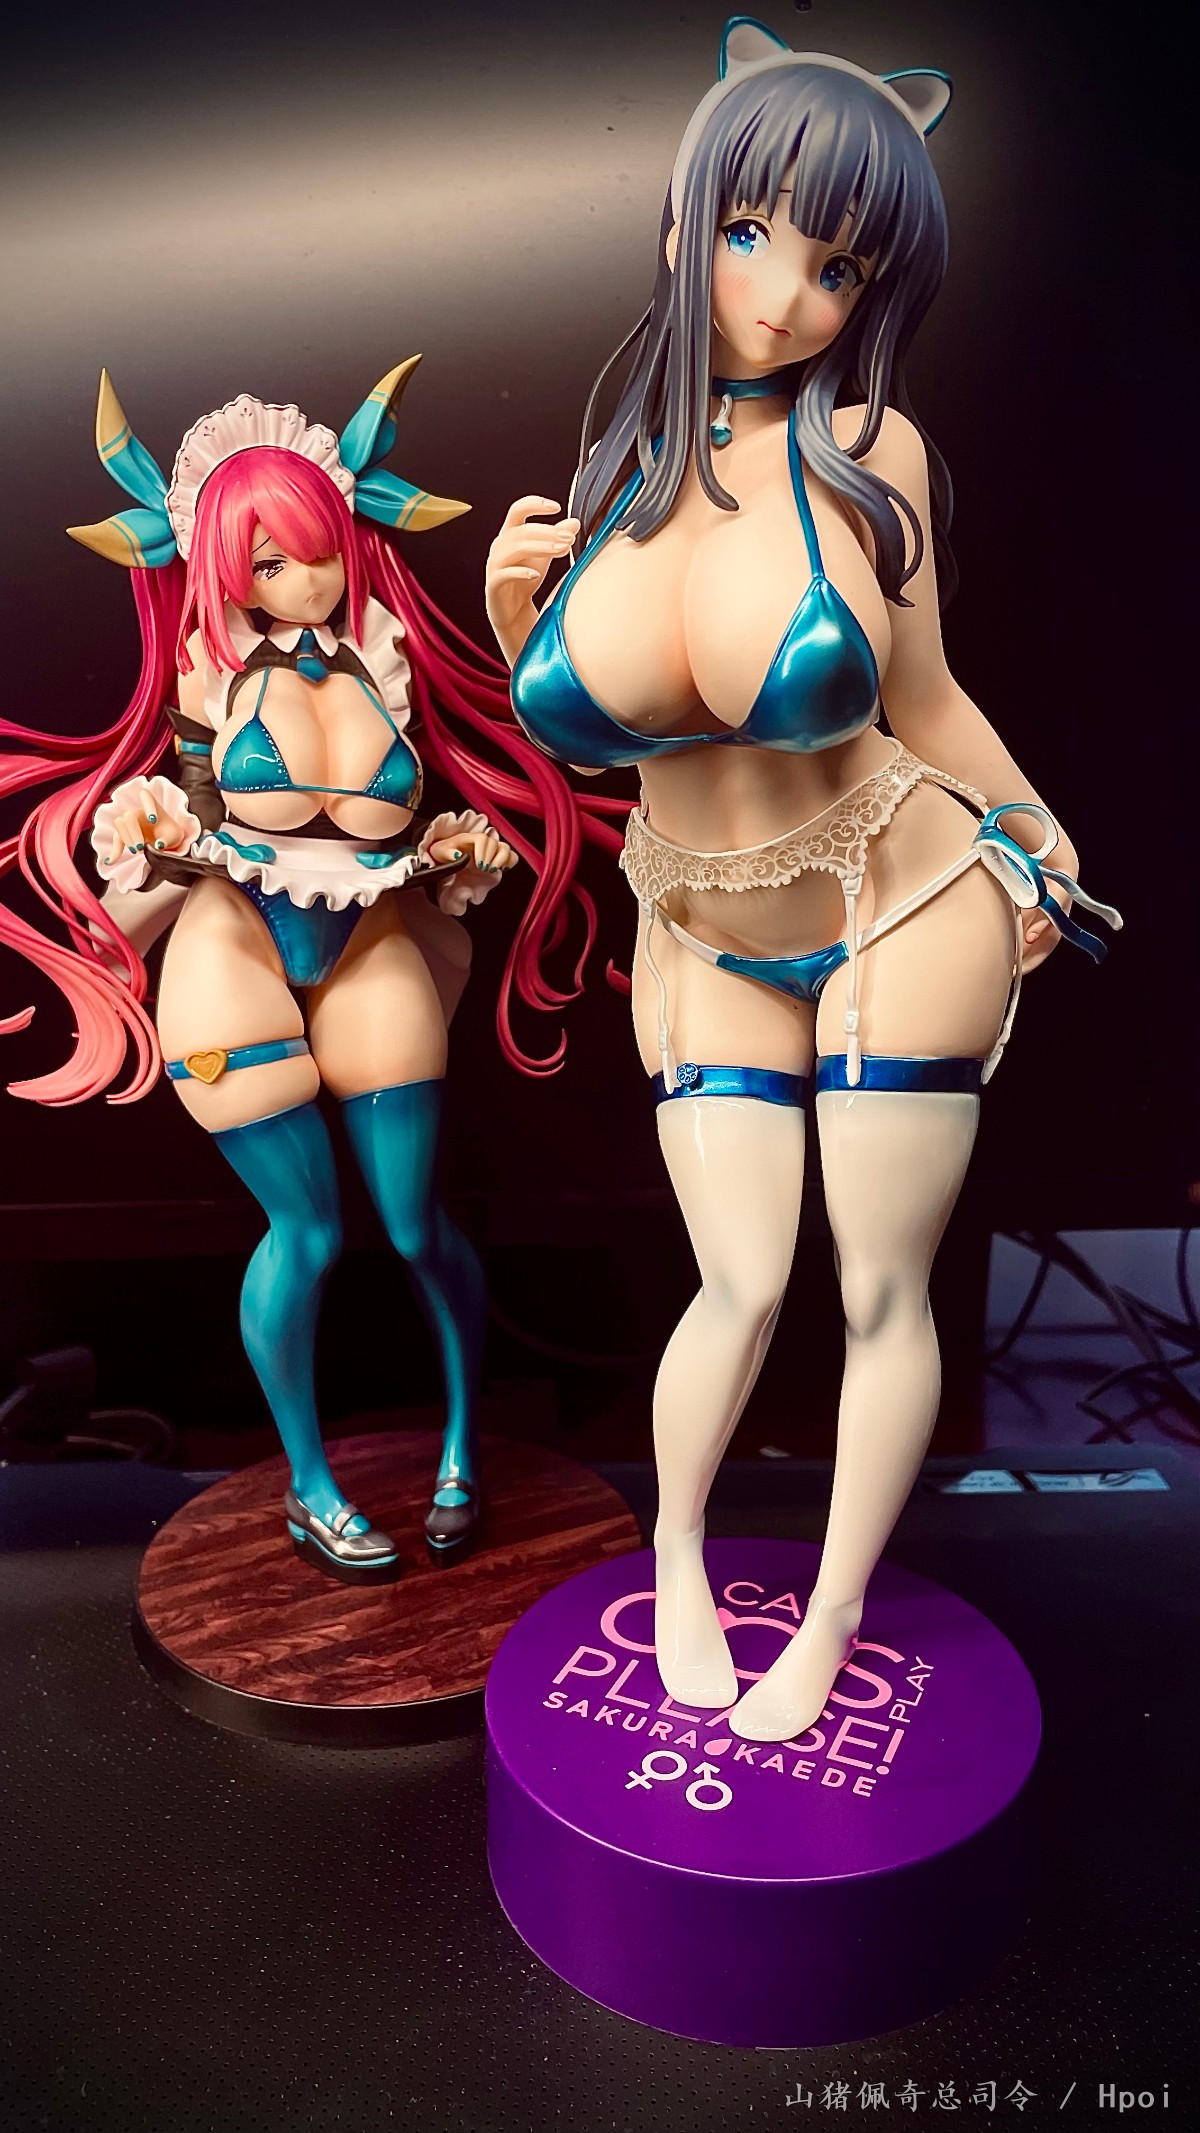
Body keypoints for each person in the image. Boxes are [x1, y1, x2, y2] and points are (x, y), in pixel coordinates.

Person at [485, 21, 1120, 1734]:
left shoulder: (871, 450)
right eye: (753, 233)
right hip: (697, 918)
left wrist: (1041, 833)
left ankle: (831, 1617)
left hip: (894, 895)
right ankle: (678, 1554)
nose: (785, 299)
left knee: (878, 1285)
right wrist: (511, 617)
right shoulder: (613, 474)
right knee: (744, 1281)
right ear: (684, 218)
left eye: (840, 268)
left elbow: (926, 698)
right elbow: (599, 738)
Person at [0, 359, 623, 1578]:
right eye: (267, 563)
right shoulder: (207, 669)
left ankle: (462, 1445)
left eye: (316, 550)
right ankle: (309, 1481)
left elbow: (501, 759)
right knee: (308, 1229)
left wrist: (459, 849)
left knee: (414, 1220)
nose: (302, 580)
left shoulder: (387, 654)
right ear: (223, 570)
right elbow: (178, 818)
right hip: (231, 937)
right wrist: (155, 843)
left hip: (371, 936)